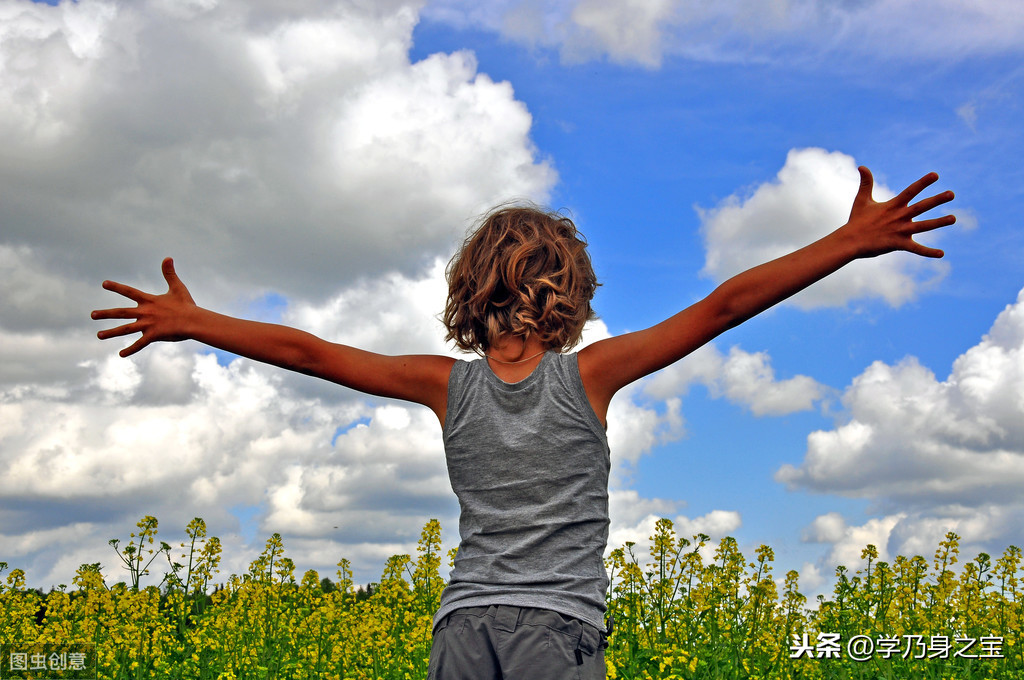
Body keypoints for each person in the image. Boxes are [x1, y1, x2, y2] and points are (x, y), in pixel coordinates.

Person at [92, 166, 955, 679]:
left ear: (469, 292)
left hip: (463, 628)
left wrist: (200, 322)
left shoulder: (443, 385)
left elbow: (315, 354)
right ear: (573, 294)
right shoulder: (594, 376)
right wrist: (844, 243)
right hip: (557, 629)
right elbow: (725, 305)